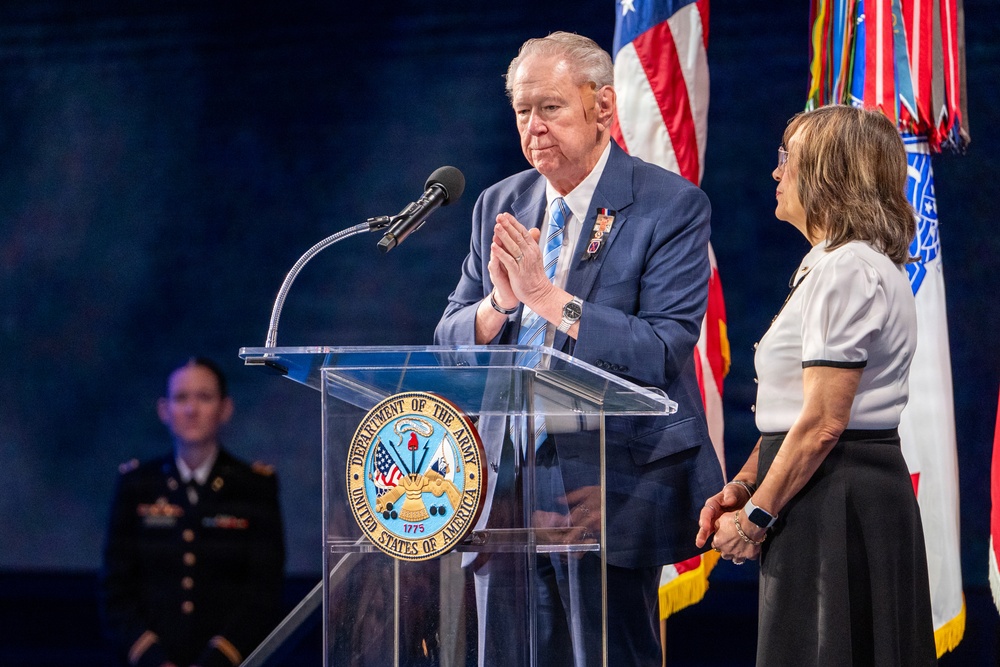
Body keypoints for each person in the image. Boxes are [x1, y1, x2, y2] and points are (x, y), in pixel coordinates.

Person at [435, 31, 724, 667]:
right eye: (521, 110)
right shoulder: (499, 203)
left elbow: (662, 348)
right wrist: (501, 306)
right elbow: (451, 336)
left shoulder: (668, 205)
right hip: (504, 482)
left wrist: (546, 297)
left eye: (551, 107)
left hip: (605, 482)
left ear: (603, 108)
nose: (533, 126)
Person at [695, 105, 937, 666]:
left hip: (836, 500)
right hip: (822, 489)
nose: (776, 174)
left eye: (788, 160)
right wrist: (745, 484)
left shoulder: (846, 269)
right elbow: (798, 411)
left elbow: (825, 422)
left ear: (830, 174)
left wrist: (756, 520)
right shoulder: (833, 264)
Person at [99, 358, 285, 667]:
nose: (191, 409)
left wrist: (217, 660)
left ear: (225, 408)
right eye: (181, 398)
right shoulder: (137, 485)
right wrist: (153, 659)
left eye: (204, 397)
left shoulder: (254, 487)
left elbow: (263, 592)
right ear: (164, 410)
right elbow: (115, 589)